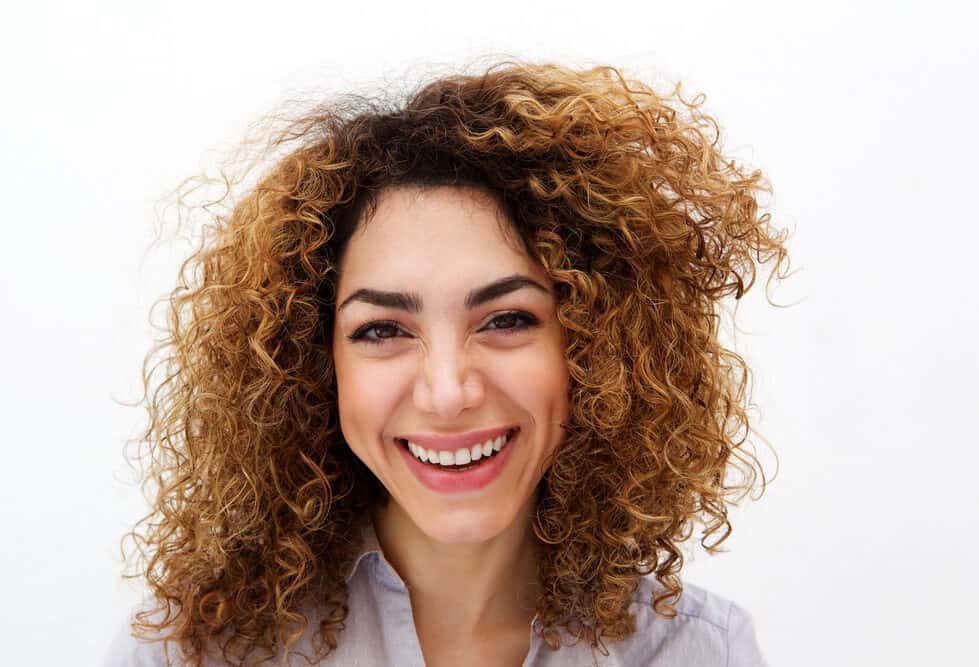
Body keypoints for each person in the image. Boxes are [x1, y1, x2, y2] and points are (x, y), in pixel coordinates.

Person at [105, 60, 789, 666]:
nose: (447, 391)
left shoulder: (697, 651)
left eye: (507, 319)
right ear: (314, 366)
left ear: (595, 344)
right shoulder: (195, 650)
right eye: (381, 330)